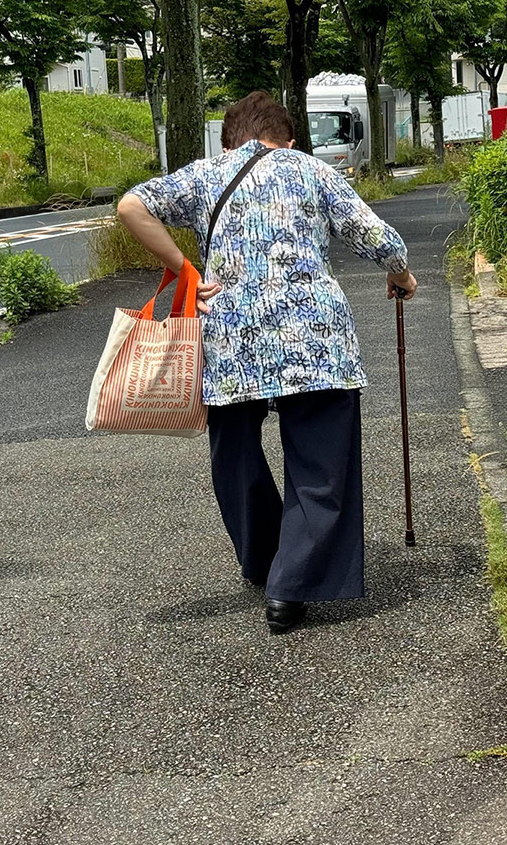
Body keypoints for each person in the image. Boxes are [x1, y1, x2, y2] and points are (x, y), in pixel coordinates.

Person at [117, 90, 417, 635]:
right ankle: (291, 586)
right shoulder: (312, 171)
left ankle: (263, 558)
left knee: (234, 455)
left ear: (230, 138)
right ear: (290, 137)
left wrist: (184, 269)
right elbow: (379, 239)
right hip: (315, 343)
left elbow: (130, 206)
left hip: (231, 343)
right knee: (320, 464)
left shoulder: (206, 174)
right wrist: (400, 275)